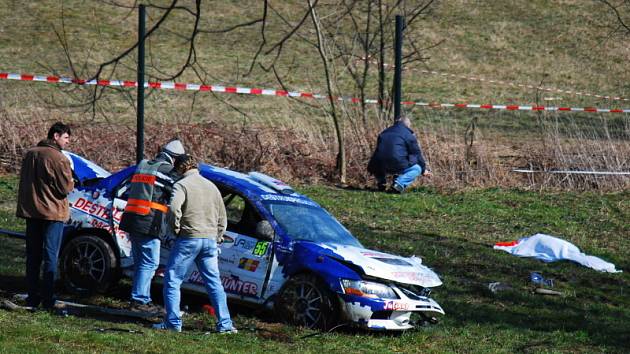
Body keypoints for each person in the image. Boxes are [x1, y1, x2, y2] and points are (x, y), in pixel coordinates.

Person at [153, 154, 236, 334]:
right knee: (214, 282)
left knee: (173, 279)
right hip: (210, 240)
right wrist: (218, 236)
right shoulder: (212, 187)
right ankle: (225, 324)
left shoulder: (182, 185)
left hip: (188, 238)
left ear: (181, 168)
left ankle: (173, 323)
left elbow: (174, 209)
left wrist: (175, 230)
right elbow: (222, 216)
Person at [119, 139, 185, 312]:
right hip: (149, 221)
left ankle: (141, 299)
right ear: (175, 158)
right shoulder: (166, 170)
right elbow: (176, 192)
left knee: (142, 262)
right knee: (150, 263)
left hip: (132, 219)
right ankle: (139, 300)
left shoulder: (143, 164)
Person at [16, 122, 74, 309]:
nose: (67, 142)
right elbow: (65, 188)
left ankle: (32, 296)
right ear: (55, 136)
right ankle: (48, 299)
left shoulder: (30, 154)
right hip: (52, 213)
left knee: (33, 256)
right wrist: (72, 181)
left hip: (31, 211)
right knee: (50, 255)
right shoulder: (59, 159)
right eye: (66, 138)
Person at [367, 115, 432, 193]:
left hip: (377, 163)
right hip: (396, 163)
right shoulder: (408, 135)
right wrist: (423, 169)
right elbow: (416, 153)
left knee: (380, 161)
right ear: (407, 125)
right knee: (417, 169)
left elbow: (381, 151)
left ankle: (382, 182)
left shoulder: (384, 132)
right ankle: (399, 184)